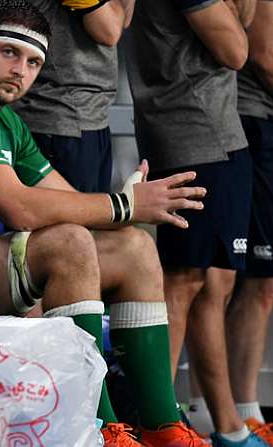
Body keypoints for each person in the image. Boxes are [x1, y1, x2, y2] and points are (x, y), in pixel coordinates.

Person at [0, 0, 209, 445]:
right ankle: (100, 428)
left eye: (33, 62)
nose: (21, 70)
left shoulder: (7, 122)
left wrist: (129, 204)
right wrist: (123, 205)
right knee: (67, 241)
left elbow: (64, 197)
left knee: (134, 247)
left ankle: (161, 427)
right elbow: (22, 209)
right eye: (8, 53)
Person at [126, 0, 266, 445]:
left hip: (216, 133)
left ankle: (227, 427)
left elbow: (239, 26)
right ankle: (158, 425)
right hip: (193, 135)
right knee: (182, 282)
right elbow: (236, 51)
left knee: (209, 280)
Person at [11, 0, 134, 192]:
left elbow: (124, 18)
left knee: (95, 218)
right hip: (58, 118)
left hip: (88, 115)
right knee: (71, 219)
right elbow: (109, 31)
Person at [225, 0, 273, 441]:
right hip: (254, 127)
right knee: (235, 277)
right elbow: (265, 57)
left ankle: (242, 410)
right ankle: (236, 412)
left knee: (263, 282)